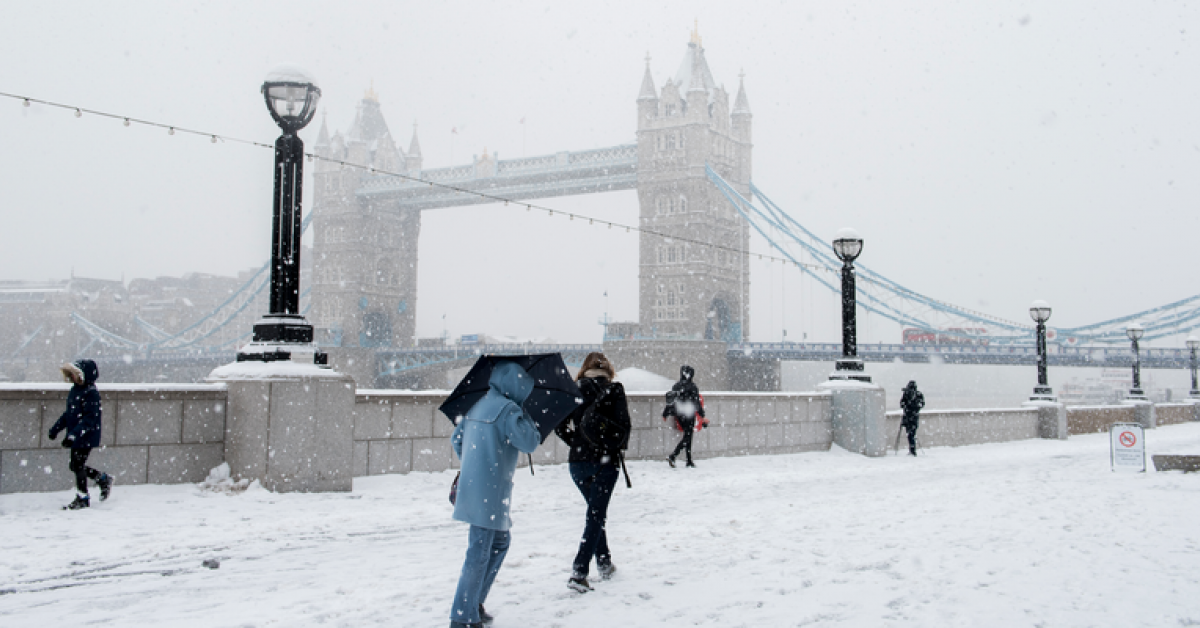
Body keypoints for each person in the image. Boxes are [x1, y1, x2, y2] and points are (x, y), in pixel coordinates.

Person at [449, 361, 541, 628]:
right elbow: (530, 442)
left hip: (475, 488)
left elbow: (457, 439)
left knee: (498, 543)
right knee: (478, 551)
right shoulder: (509, 410)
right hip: (491, 492)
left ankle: (473, 603)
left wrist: (473, 463)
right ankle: (463, 616)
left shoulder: (477, 404)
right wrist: (527, 417)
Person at [554, 352, 631, 593]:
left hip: (577, 464)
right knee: (596, 515)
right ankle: (579, 572)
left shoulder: (574, 389)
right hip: (605, 462)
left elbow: (559, 426)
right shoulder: (614, 390)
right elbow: (624, 427)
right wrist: (604, 445)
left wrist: (577, 442)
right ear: (608, 369)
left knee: (595, 514)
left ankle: (604, 562)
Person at [48, 359, 112, 510]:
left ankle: (83, 497)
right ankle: (102, 479)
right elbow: (69, 414)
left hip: (86, 435)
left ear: (82, 375)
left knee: (77, 465)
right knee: (76, 465)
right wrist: (56, 429)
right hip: (77, 434)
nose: (71, 377)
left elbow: (89, 419)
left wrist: (73, 435)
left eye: (73, 374)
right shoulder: (76, 390)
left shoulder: (91, 393)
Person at [664, 365, 707, 468]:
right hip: (689, 413)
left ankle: (688, 460)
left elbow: (671, 401)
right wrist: (702, 416)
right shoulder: (692, 387)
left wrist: (666, 413)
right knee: (688, 436)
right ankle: (674, 456)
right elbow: (697, 403)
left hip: (679, 414)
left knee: (687, 436)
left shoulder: (676, 386)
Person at [900, 380, 925, 456]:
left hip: (908, 417)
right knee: (912, 434)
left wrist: (908, 406)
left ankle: (912, 450)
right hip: (913, 418)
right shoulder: (918, 394)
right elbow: (921, 404)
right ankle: (912, 449)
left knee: (910, 434)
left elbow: (902, 404)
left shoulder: (907, 394)